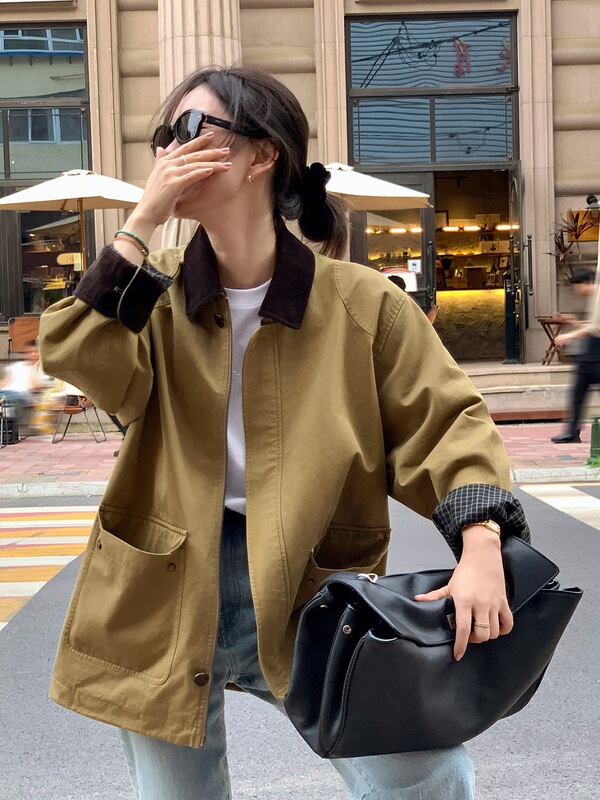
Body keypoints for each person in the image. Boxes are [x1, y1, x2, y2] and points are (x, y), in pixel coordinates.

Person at [39, 66, 530, 800]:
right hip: (161, 582)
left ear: (263, 154)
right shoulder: (152, 294)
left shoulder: (361, 304)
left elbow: (447, 425)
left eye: (190, 130)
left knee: (428, 776)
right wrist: (140, 223)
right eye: (162, 137)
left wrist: (483, 543)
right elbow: (74, 352)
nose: (169, 152)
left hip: (310, 582)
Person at [551, 267, 600, 443]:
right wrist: (574, 322)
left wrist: (569, 336)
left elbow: (596, 327)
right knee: (578, 393)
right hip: (591, 354)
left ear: (585, 283)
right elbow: (593, 325)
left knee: (578, 393)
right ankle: (572, 432)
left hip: (596, 354)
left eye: (577, 287)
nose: (576, 291)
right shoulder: (593, 297)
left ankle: (573, 432)